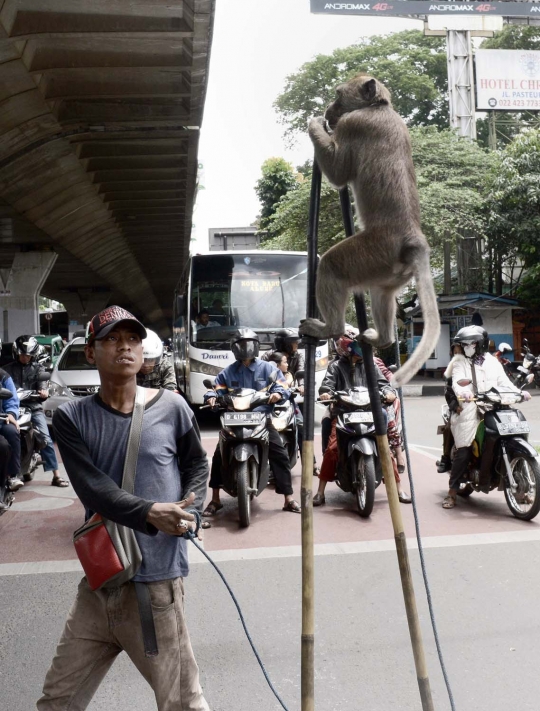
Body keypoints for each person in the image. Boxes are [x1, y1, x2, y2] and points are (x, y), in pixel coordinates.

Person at [37, 306, 210, 711]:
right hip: (100, 585)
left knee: (182, 703)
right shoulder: (71, 417)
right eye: (112, 339)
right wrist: (152, 512)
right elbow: (93, 489)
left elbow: (196, 464)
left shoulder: (173, 406)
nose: (125, 347)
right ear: (91, 353)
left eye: (132, 339)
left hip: (157, 589)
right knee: (56, 702)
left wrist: (193, 510)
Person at [202, 328, 301, 515]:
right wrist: (211, 397)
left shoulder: (269, 368)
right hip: (233, 420)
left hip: (261, 419)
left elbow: (283, 385)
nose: (246, 348)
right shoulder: (227, 372)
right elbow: (216, 389)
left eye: (250, 344)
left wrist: (278, 393)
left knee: (279, 454)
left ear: (256, 346)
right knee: (218, 456)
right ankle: (215, 500)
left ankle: (288, 498)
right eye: (242, 344)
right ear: (234, 348)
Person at [313, 333, 411, 505]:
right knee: (332, 450)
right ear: (349, 348)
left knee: (386, 451)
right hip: (343, 412)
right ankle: (320, 492)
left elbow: (383, 383)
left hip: (369, 412)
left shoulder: (370, 365)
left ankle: (398, 488)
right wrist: (325, 393)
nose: (364, 351)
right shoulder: (335, 366)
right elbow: (327, 384)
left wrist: (388, 392)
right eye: (359, 347)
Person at [442, 325, 530, 509]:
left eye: (471, 344)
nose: (466, 347)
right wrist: (464, 393)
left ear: (480, 344)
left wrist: (519, 393)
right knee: (464, 448)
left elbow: (504, 382)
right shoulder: (459, 361)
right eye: (464, 344)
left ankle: (520, 489)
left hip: (494, 405)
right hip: (469, 407)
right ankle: (452, 491)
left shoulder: (492, 362)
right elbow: (458, 383)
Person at [5, 335, 69, 487]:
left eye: (28, 355)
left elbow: (43, 383)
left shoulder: (38, 369)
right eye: (22, 355)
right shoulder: (6, 370)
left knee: (45, 438)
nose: (25, 358)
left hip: (33, 408)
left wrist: (43, 391)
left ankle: (56, 475)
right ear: (16, 353)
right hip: (13, 409)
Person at [0, 361, 22, 501]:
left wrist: (10, 414)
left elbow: (12, 401)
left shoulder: (3, 377)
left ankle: (12, 476)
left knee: (11, 433)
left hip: (1, 420)